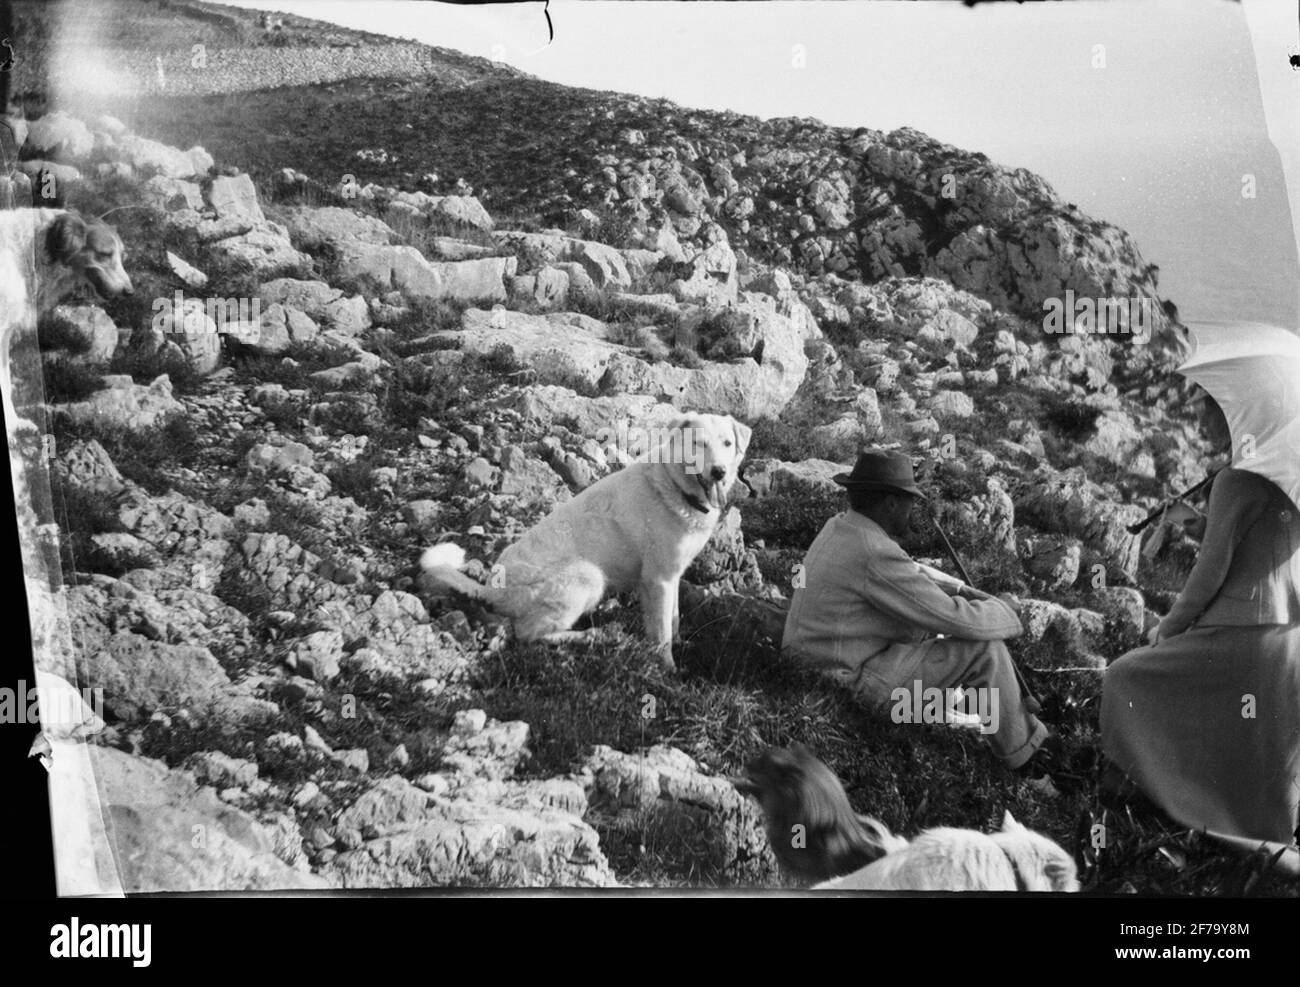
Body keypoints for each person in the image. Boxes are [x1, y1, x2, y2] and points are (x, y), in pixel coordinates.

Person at [1101, 390, 1300, 861]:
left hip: (1242, 631)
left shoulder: (1237, 478)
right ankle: (1259, 837)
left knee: (1124, 678)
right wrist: (1201, 522)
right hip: (1287, 638)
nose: (1214, 420)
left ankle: (1162, 798)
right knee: (1248, 735)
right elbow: (1260, 544)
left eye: (1224, 412)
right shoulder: (1287, 480)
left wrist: (1168, 628)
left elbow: (1210, 571)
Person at [781, 449, 1057, 776]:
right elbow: (956, 619)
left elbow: (913, 580)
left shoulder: (842, 528)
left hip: (811, 673)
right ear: (891, 503)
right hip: (845, 690)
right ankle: (1026, 759)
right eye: (910, 500)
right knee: (984, 648)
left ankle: (1009, 724)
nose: (913, 510)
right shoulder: (874, 552)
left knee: (941, 646)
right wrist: (1007, 612)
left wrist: (962, 592)